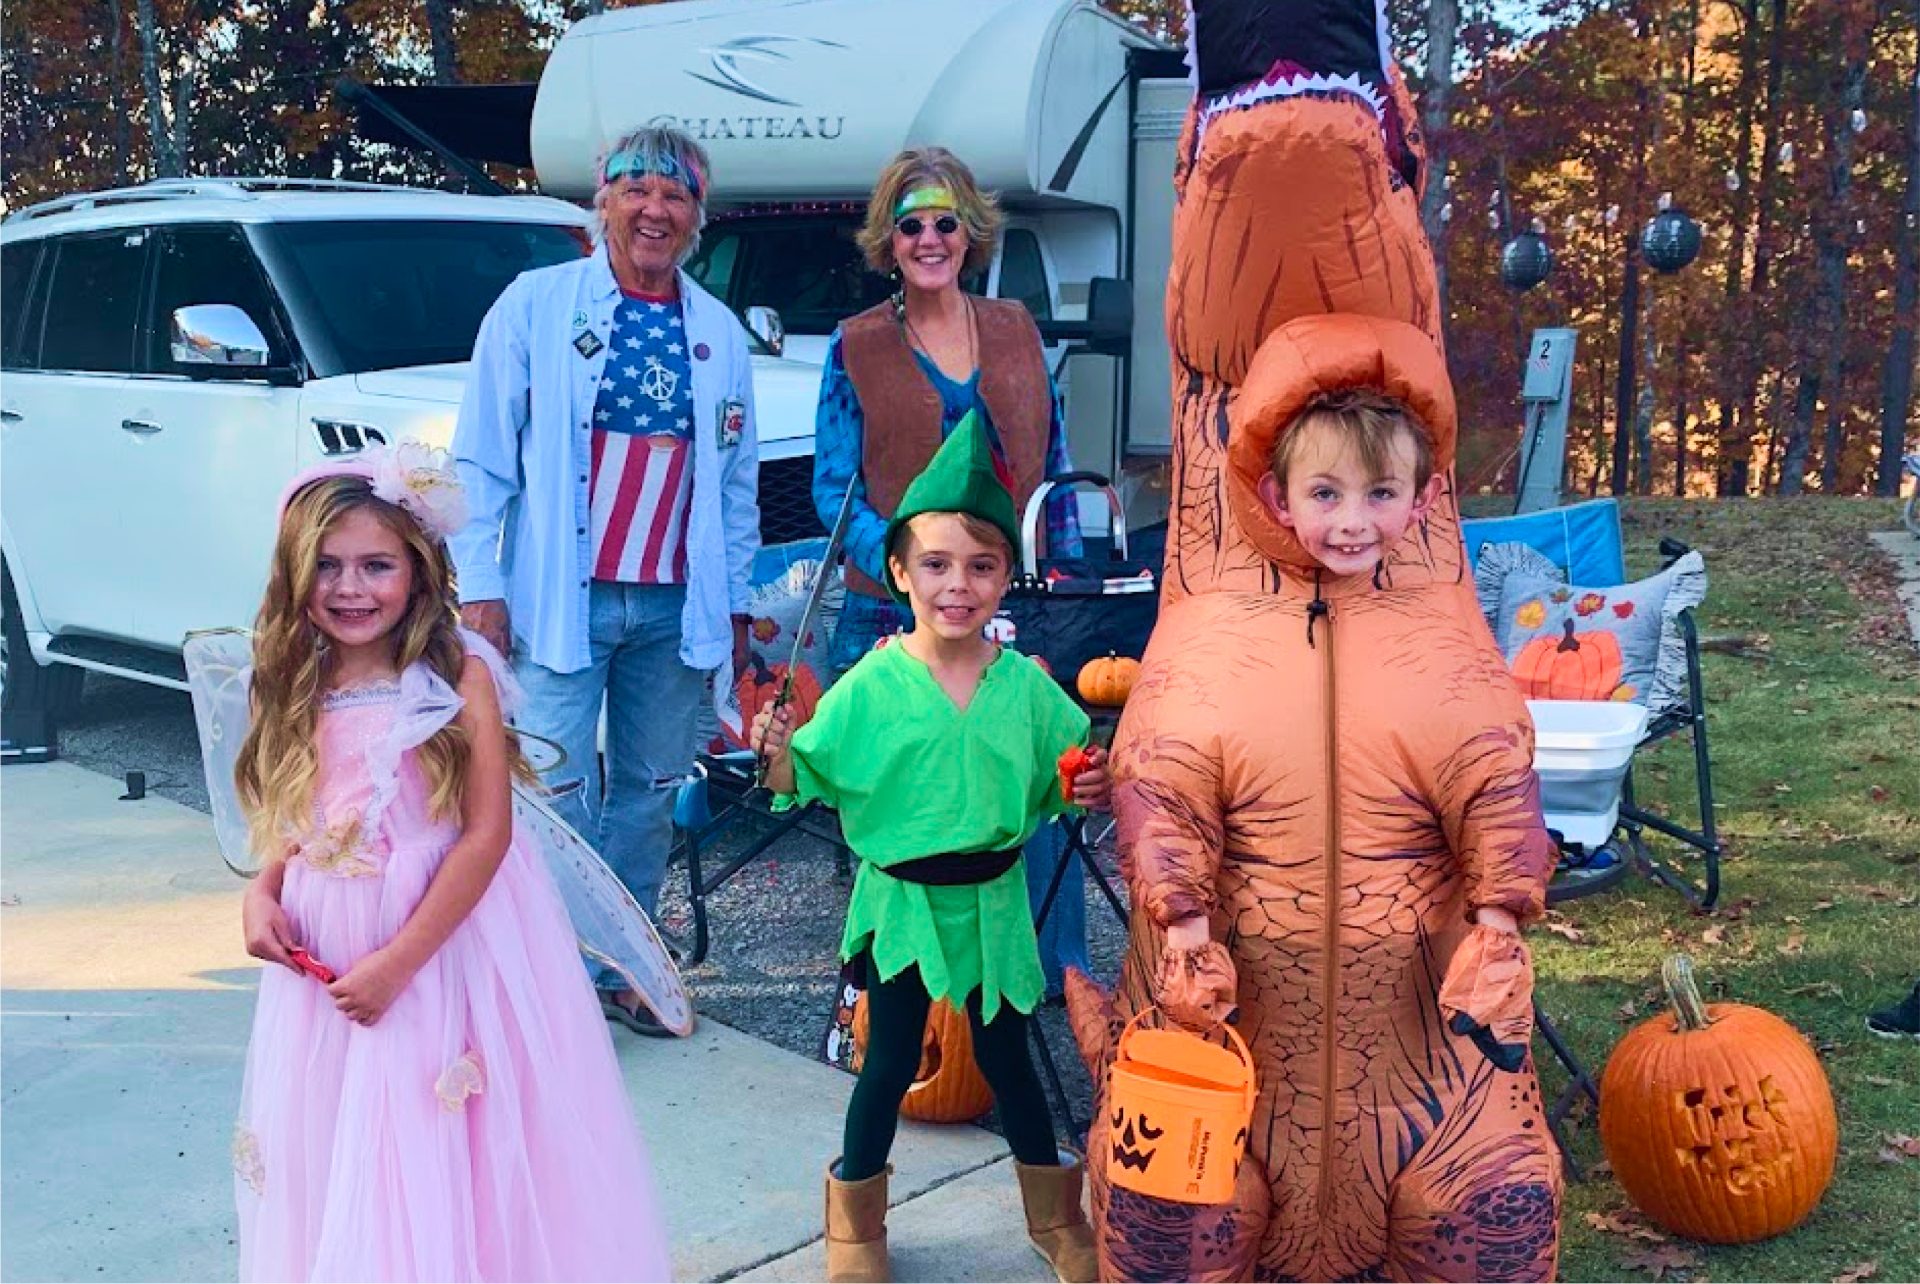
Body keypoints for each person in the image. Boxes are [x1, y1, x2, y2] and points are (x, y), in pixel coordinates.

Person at [1076, 317, 1564, 1282]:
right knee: (1174, 1221)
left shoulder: (1442, 645)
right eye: (1328, 495)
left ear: (1423, 501)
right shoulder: (1215, 633)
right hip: (1224, 1044)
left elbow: (1499, 786)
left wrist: (1502, 920)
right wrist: (1180, 923)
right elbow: (1164, 782)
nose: (1353, 521)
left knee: (1494, 1211)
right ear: (1277, 498)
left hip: (1431, 1072)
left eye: (1381, 495)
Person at [230, 444, 668, 1282]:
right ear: (294, 574)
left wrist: (398, 963)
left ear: (420, 571)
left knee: (432, 1138)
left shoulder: (456, 674)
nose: (350, 588)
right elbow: (301, 812)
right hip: (328, 948)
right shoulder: (293, 677)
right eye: (326, 567)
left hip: (441, 947)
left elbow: (486, 836)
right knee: (339, 1144)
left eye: (376, 565)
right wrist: (265, 889)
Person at [756, 414, 1110, 1284]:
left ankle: (1055, 1218)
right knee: (887, 1062)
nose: (960, 585)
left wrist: (1084, 783)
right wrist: (776, 745)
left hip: (991, 905)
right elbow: (800, 770)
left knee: (1008, 1060)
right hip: (903, 905)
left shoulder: (1025, 687)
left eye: (981, 566)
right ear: (902, 574)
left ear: (1005, 578)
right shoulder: (872, 684)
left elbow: (1062, 773)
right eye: (938, 565)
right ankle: (855, 1228)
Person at [451, 124, 760, 1037]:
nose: (654, 210)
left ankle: (625, 962)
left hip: (673, 603)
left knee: (650, 787)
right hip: (563, 597)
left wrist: (736, 604)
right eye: (637, 190)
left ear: (697, 216)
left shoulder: (716, 330)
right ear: (606, 201)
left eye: (676, 196)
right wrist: (482, 585)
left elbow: (734, 486)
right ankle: (548, 977)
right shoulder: (535, 306)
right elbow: (480, 460)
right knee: (550, 786)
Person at [812, 145, 1089, 999]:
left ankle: (1044, 992)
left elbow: (1055, 458)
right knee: (911, 823)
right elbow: (834, 488)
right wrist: (908, 574)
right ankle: (896, 1014)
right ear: (888, 241)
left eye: (944, 222)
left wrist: (1059, 574)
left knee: (1035, 803)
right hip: (892, 622)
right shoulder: (855, 346)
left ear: (969, 231)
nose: (929, 238)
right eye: (910, 225)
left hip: (1016, 611)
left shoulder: (1015, 331)